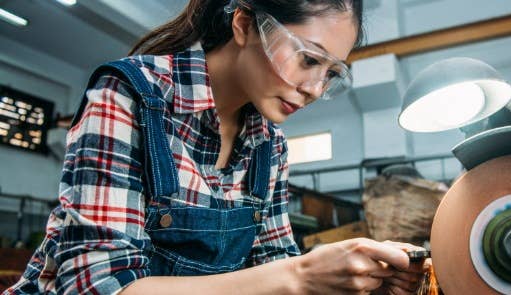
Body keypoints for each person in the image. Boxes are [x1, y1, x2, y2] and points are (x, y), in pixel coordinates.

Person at [4, 0, 428, 294]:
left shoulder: (270, 147)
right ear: (244, 24)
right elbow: (95, 287)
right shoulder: (130, 94)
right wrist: (299, 276)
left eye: (331, 73)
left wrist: (358, 284)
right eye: (308, 59)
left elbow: (273, 266)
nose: (315, 89)